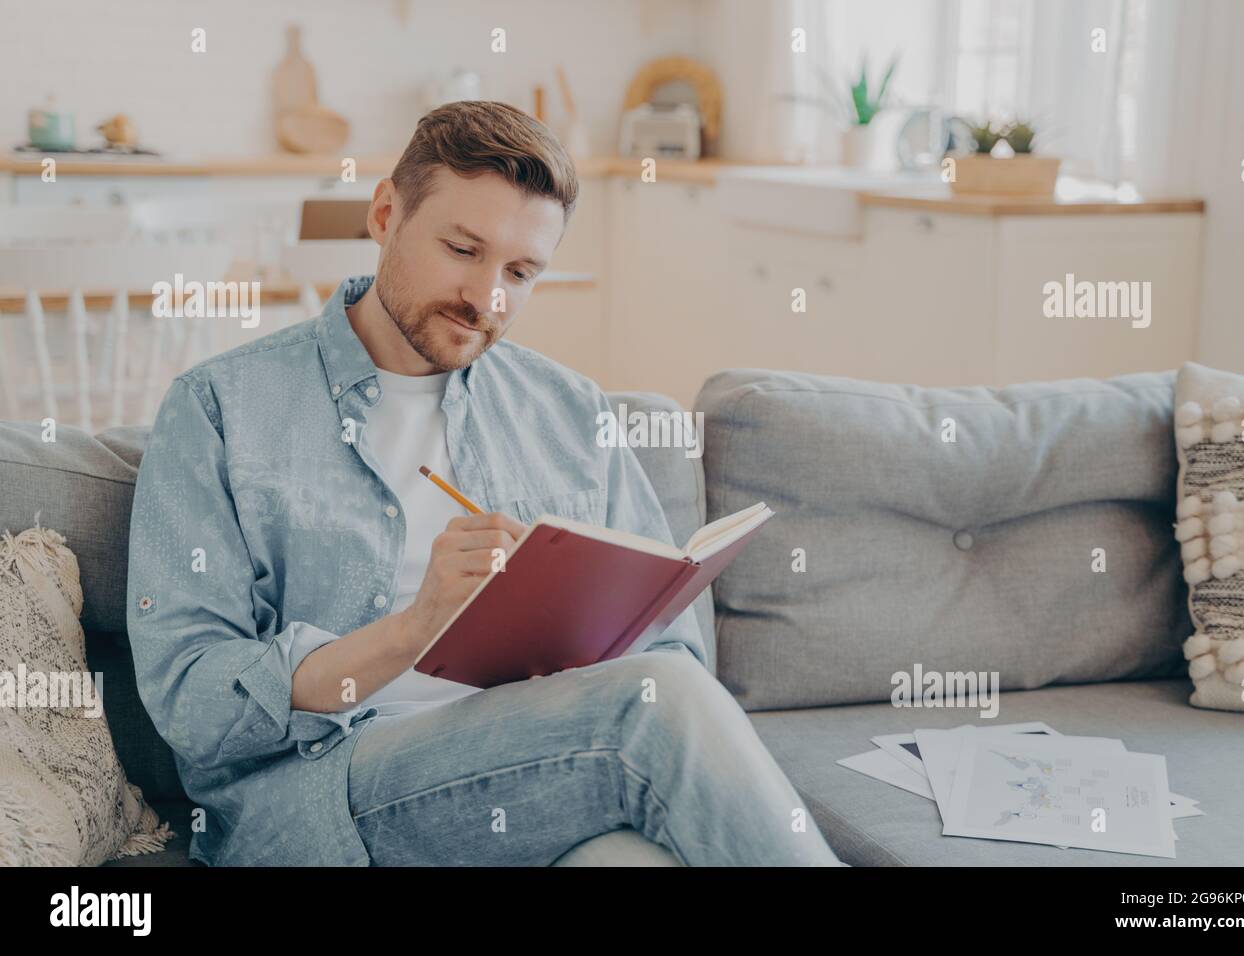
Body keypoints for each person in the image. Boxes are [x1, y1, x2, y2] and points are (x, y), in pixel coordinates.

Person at [126, 100, 842, 866]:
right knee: (651, 709)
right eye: (463, 249)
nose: (486, 297)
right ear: (384, 214)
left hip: (536, 776)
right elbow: (192, 699)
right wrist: (414, 628)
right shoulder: (220, 408)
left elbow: (673, 656)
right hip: (324, 794)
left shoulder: (568, 410)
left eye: (521, 271)